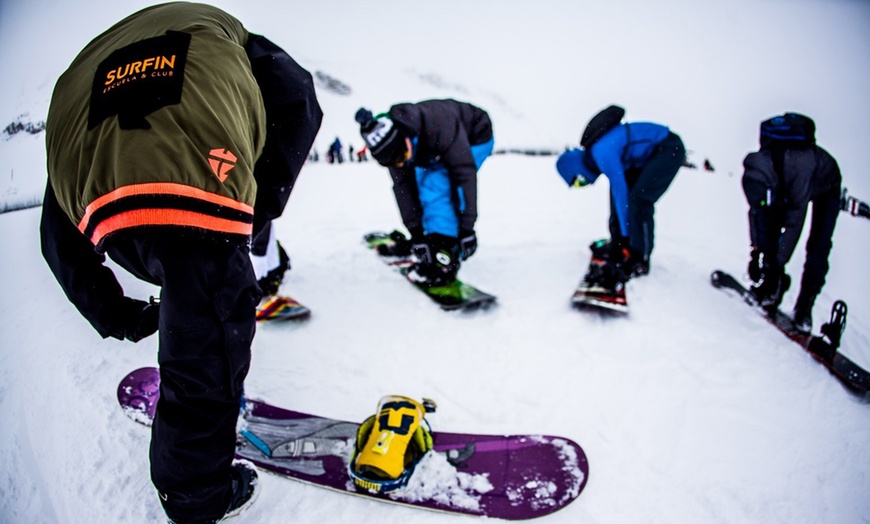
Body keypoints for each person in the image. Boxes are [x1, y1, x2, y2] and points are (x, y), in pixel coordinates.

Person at [39, 3, 322, 523]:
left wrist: (118, 314)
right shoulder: (223, 33)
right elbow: (298, 98)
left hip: (101, 204)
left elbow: (56, 234)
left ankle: (196, 407)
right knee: (209, 339)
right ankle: (196, 495)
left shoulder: (82, 82)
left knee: (194, 305)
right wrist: (254, 210)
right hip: (199, 180)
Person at [354, 99, 494, 286]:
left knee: (436, 185)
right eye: (394, 163)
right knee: (420, 180)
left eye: (401, 157)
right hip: (431, 147)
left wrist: (467, 228)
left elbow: (464, 174)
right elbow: (403, 188)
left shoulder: (438, 125)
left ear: (405, 138)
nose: (400, 164)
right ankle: (432, 237)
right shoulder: (396, 150)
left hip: (474, 136)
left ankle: (445, 251)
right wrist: (417, 234)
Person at [556, 107, 685, 286]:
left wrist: (626, 236)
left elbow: (621, 192)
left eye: (579, 181)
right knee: (621, 198)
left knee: (639, 200)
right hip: (645, 158)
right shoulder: (598, 153)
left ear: (576, 167)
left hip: (667, 148)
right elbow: (616, 195)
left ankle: (640, 258)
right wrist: (619, 241)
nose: (585, 184)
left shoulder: (601, 152)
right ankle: (618, 243)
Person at [742, 112, 841, 333]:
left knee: (818, 245)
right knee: (768, 220)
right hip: (786, 183)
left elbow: (794, 224)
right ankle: (772, 287)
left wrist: (775, 266)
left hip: (826, 187)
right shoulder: (759, 170)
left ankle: (805, 306)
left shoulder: (799, 166)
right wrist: (756, 252)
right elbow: (757, 213)